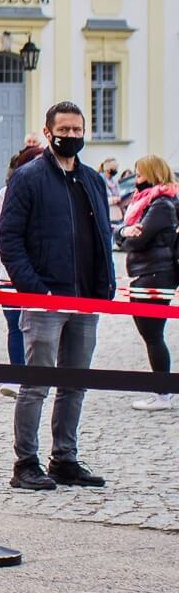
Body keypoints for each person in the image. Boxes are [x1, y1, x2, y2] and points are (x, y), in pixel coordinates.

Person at [0, 101, 113, 491]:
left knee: (74, 383)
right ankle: (25, 463)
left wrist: (104, 286)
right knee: (36, 384)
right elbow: (9, 239)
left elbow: (103, 236)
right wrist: (35, 288)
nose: (71, 136)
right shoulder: (28, 178)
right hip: (45, 298)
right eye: (64, 130)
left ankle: (64, 458)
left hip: (85, 300)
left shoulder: (92, 180)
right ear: (48, 132)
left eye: (77, 130)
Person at [120, 155, 177, 410]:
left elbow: (138, 240)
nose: (137, 179)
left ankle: (163, 394)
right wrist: (124, 233)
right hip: (147, 273)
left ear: (153, 174)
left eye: (140, 174)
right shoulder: (148, 202)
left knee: (153, 335)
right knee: (151, 335)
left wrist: (124, 236)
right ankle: (162, 391)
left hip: (155, 274)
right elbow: (125, 233)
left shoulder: (161, 204)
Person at [0, 145, 49, 372]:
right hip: (11, 273)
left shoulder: (51, 192)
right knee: (15, 326)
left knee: (42, 329)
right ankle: (19, 374)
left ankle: (38, 375)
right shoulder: (5, 194)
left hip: (42, 273)